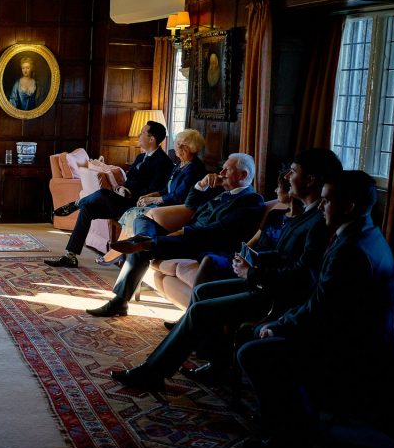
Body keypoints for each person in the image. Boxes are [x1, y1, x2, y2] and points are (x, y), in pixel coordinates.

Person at [109, 148, 340, 391]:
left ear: (311, 179)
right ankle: (218, 365)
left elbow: (302, 276)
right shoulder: (306, 214)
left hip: (275, 296)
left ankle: (152, 372)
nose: (287, 178)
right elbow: (283, 255)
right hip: (262, 280)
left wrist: (252, 272)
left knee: (200, 310)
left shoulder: (318, 221)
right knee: (202, 292)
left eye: (293, 172)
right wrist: (255, 262)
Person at [236, 170, 394, 448]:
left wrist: (279, 326)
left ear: (348, 207)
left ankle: (289, 439)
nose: (321, 207)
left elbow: (322, 310)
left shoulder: (351, 251)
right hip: (346, 331)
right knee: (257, 336)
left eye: (326, 201)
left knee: (253, 352)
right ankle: (283, 420)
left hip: (352, 347)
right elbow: (321, 299)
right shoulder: (364, 233)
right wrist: (282, 322)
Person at [87, 153, 264, 318]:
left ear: (242, 175)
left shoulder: (251, 200)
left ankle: (119, 301)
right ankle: (143, 238)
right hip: (185, 234)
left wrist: (184, 231)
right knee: (141, 219)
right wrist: (200, 185)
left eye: (227, 169)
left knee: (142, 249)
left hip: (199, 242)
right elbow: (190, 204)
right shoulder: (218, 189)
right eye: (222, 168)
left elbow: (219, 230)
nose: (222, 172)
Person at [44, 121, 173, 268]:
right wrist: (123, 189)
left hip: (137, 205)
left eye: (142, 133)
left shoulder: (163, 162)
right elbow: (129, 181)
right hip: (124, 200)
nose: (139, 135)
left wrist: (130, 192)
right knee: (87, 209)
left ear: (152, 139)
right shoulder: (140, 157)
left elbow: (154, 190)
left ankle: (76, 204)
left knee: (103, 193)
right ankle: (70, 256)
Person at [99, 128, 207, 265]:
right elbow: (167, 188)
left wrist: (154, 199)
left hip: (178, 209)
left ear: (192, 148)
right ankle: (122, 252)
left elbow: (179, 196)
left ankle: (119, 253)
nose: (178, 147)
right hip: (167, 203)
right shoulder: (180, 164)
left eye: (183, 145)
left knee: (135, 214)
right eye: (178, 143)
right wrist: (150, 195)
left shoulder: (194, 168)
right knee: (133, 211)